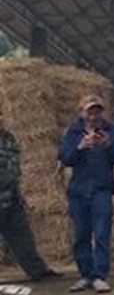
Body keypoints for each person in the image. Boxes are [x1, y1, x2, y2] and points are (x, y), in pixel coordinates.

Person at [57, 94, 114, 293]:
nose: (93, 116)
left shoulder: (112, 131)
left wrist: (108, 145)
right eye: (90, 111)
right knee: (81, 234)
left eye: (97, 111)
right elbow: (64, 158)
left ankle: (99, 275)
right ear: (82, 112)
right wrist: (80, 147)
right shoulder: (73, 132)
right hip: (78, 191)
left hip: (101, 189)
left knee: (102, 232)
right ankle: (85, 274)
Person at [0, 114, 61, 283]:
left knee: (23, 237)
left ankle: (37, 271)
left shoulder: (8, 138)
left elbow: (14, 166)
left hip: (12, 197)